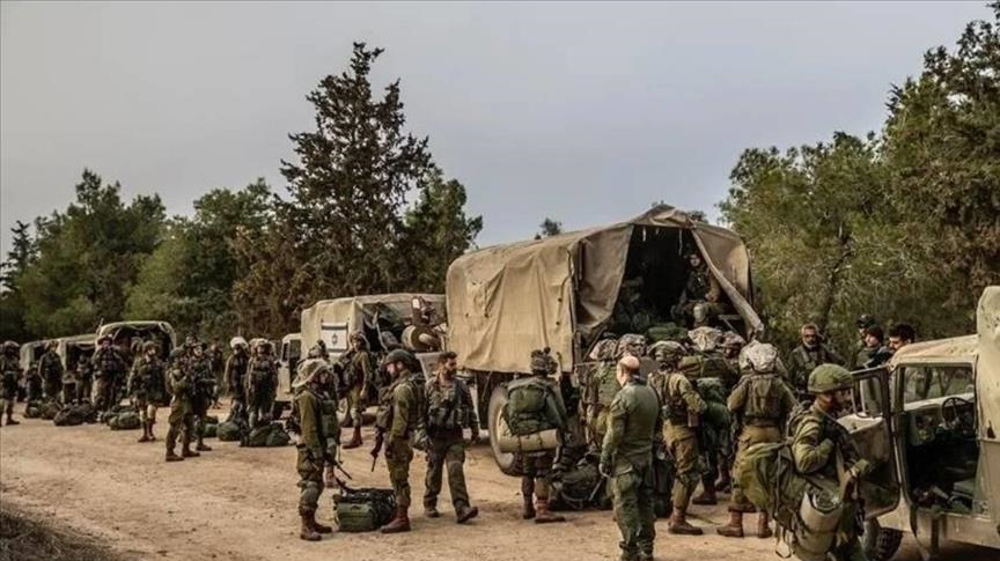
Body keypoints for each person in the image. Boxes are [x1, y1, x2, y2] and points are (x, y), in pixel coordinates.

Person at [789, 364, 873, 561]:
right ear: (826, 395)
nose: (846, 398)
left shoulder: (828, 419)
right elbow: (804, 462)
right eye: (842, 393)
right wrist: (829, 442)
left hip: (839, 509)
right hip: (828, 507)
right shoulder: (813, 423)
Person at [717, 343, 797, 539]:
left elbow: (731, 404)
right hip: (773, 434)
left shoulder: (747, 382)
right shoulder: (779, 384)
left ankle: (736, 524)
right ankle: (763, 525)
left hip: (750, 433)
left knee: (741, 475)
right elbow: (793, 407)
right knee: (768, 477)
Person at [600, 355, 660, 561]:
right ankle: (648, 549)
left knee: (626, 506)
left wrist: (605, 459)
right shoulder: (652, 392)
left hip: (626, 462)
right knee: (646, 504)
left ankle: (630, 550)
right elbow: (658, 426)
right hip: (646, 459)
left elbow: (614, 434)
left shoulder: (623, 397)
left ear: (622, 372)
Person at [647, 339, 706, 534]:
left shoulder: (652, 378)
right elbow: (699, 406)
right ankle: (678, 518)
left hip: (665, 429)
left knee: (671, 469)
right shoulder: (679, 380)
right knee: (687, 473)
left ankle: (668, 507)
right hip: (682, 430)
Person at [510, 349, 568, 524]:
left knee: (527, 471)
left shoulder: (516, 386)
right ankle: (542, 509)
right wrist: (562, 430)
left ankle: (527, 506)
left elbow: (508, 412)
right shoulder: (548, 387)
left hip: (522, 435)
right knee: (543, 471)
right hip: (542, 434)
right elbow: (558, 412)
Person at [423, 351, 479, 523]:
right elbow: (421, 413)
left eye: (455, 364)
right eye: (451, 364)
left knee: (456, 470)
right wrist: (422, 436)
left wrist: (474, 429)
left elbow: (470, 409)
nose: (454, 368)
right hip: (436, 437)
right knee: (434, 472)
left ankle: (462, 507)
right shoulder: (430, 386)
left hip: (454, 436)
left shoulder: (461, 387)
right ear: (441, 365)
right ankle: (430, 503)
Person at [374, 348, 426, 533]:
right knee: (397, 475)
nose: (388, 370)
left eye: (390, 366)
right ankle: (399, 512)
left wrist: (392, 441)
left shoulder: (402, 389)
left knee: (399, 477)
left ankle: (402, 517)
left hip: (399, 439)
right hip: (399, 437)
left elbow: (400, 420)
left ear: (400, 365)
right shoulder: (401, 385)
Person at [290, 358, 338, 541]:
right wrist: (317, 453)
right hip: (310, 450)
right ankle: (306, 525)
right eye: (322, 373)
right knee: (311, 484)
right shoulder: (306, 397)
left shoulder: (318, 394)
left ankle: (312, 521)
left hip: (319, 445)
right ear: (314, 376)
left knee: (317, 484)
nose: (326, 376)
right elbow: (309, 429)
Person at [787, 323, 844, 400]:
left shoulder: (823, 350)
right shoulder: (796, 354)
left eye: (813, 336)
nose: (810, 339)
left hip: (824, 391)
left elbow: (840, 362)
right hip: (805, 394)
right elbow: (790, 377)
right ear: (802, 337)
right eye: (807, 336)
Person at [128, 341, 168, 443]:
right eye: (150, 349)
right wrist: (131, 392)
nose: (152, 351)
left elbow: (163, 378)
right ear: (146, 350)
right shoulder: (138, 363)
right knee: (142, 413)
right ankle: (145, 433)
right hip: (142, 390)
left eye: (153, 349)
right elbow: (132, 377)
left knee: (151, 410)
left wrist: (166, 392)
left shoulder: (158, 363)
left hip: (154, 391)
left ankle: (150, 432)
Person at [342, 332, 374, 449]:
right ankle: (357, 438)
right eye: (354, 341)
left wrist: (365, 389)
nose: (356, 344)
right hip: (351, 386)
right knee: (352, 411)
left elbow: (368, 373)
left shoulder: (363, 355)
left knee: (356, 412)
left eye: (358, 341)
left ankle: (356, 438)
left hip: (358, 386)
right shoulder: (352, 354)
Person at [165, 348, 198, 462]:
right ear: (175, 359)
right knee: (174, 426)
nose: (183, 359)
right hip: (178, 401)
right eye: (181, 357)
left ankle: (186, 449)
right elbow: (176, 388)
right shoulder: (172, 373)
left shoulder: (183, 370)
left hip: (187, 401)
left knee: (190, 426)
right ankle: (169, 452)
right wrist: (185, 378)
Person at [188, 341, 216, 452]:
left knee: (202, 418)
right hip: (193, 394)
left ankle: (200, 442)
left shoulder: (207, 362)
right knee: (190, 419)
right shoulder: (189, 363)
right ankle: (188, 443)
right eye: (196, 349)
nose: (199, 351)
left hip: (204, 393)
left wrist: (211, 383)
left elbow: (211, 375)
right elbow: (192, 378)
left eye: (200, 349)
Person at [246, 339, 278, 427]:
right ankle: (253, 427)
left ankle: (265, 426)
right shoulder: (252, 360)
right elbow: (248, 375)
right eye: (260, 347)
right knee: (253, 409)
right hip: (255, 388)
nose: (261, 349)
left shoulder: (270, 360)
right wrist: (248, 388)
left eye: (263, 347)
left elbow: (274, 374)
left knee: (266, 409)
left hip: (266, 387)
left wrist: (274, 388)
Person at [93, 335, 127, 412]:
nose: (106, 345)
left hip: (112, 375)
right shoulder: (99, 353)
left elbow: (121, 362)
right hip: (103, 376)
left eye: (108, 343)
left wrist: (120, 372)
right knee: (102, 393)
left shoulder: (114, 353)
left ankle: (111, 408)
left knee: (112, 393)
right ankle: (101, 409)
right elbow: (94, 362)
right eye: (104, 343)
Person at [225, 337, 250, 423]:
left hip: (245, 383)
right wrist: (229, 383)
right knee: (235, 402)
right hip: (235, 383)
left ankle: (244, 418)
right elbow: (227, 372)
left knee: (245, 402)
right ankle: (233, 417)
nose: (237, 351)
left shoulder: (247, 358)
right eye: (236, 349)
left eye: (239, 349)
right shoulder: (231, 359)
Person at [1, 341, 21, 426]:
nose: (11, 351)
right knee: (2, 400)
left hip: (13, 382)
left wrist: (18, 376)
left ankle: (9, 418)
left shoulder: (15, 359)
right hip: (4, 382)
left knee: (11, 401)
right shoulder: (2, 359)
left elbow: (18, 369)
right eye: (10, 349)